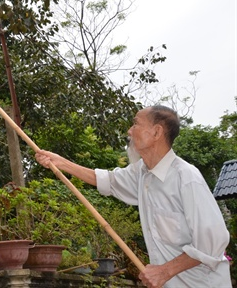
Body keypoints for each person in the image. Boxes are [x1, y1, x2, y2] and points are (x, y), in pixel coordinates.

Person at [35, 105, 231, 288]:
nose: (130, 130)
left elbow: (212, 242)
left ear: (156, 132)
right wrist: (61, 163)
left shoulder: (186, 177)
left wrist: (164, 271)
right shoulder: (141, 173)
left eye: (136, 123)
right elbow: (107, 180)